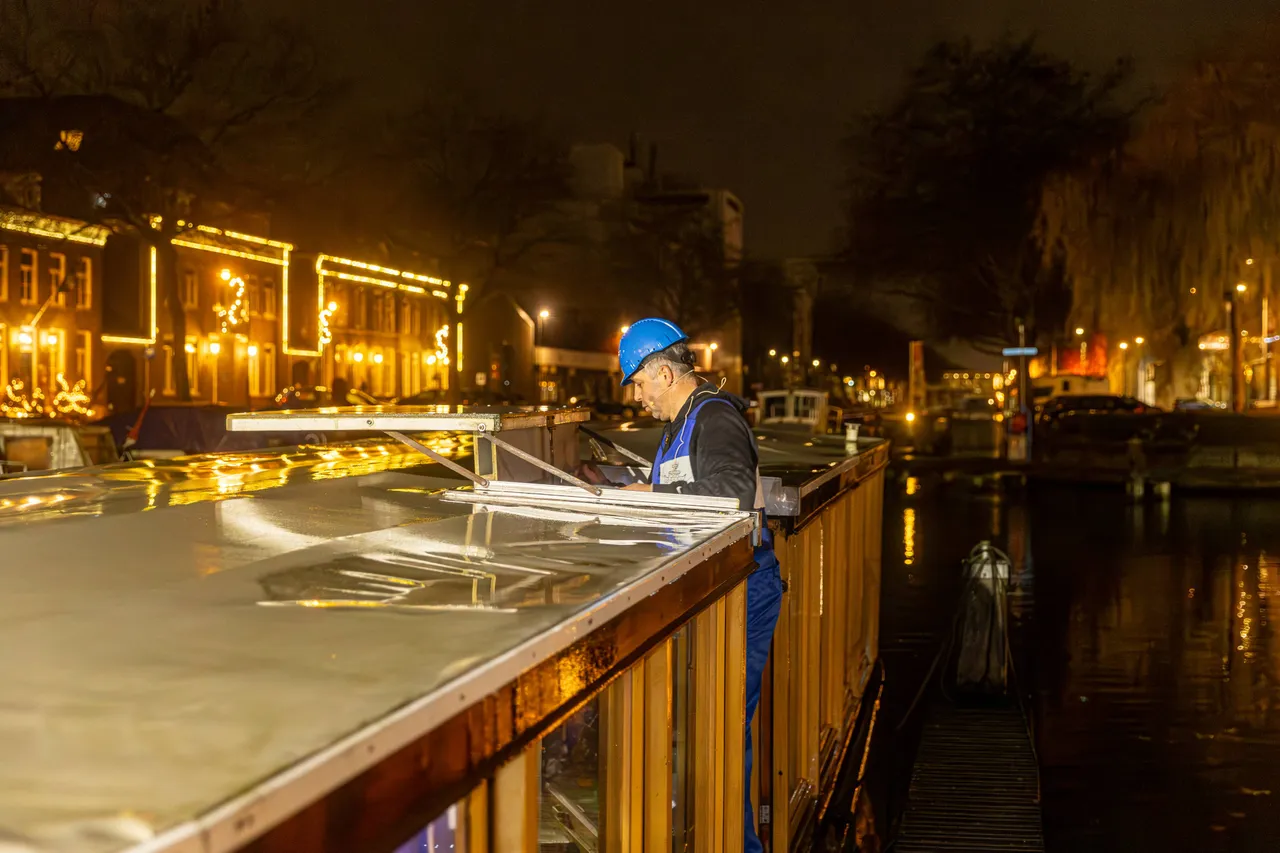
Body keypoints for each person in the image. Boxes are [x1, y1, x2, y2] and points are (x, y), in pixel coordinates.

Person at [616, 317, 783, 853]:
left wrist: (654, 495)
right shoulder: (682, 422)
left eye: (638, 384)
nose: (637, 397)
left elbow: (733, 493)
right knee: (712, 722)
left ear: (663, 372)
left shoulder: (713, 419)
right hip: (716, 590)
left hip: (742, 590)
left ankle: (739, 846)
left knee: (723, 723)